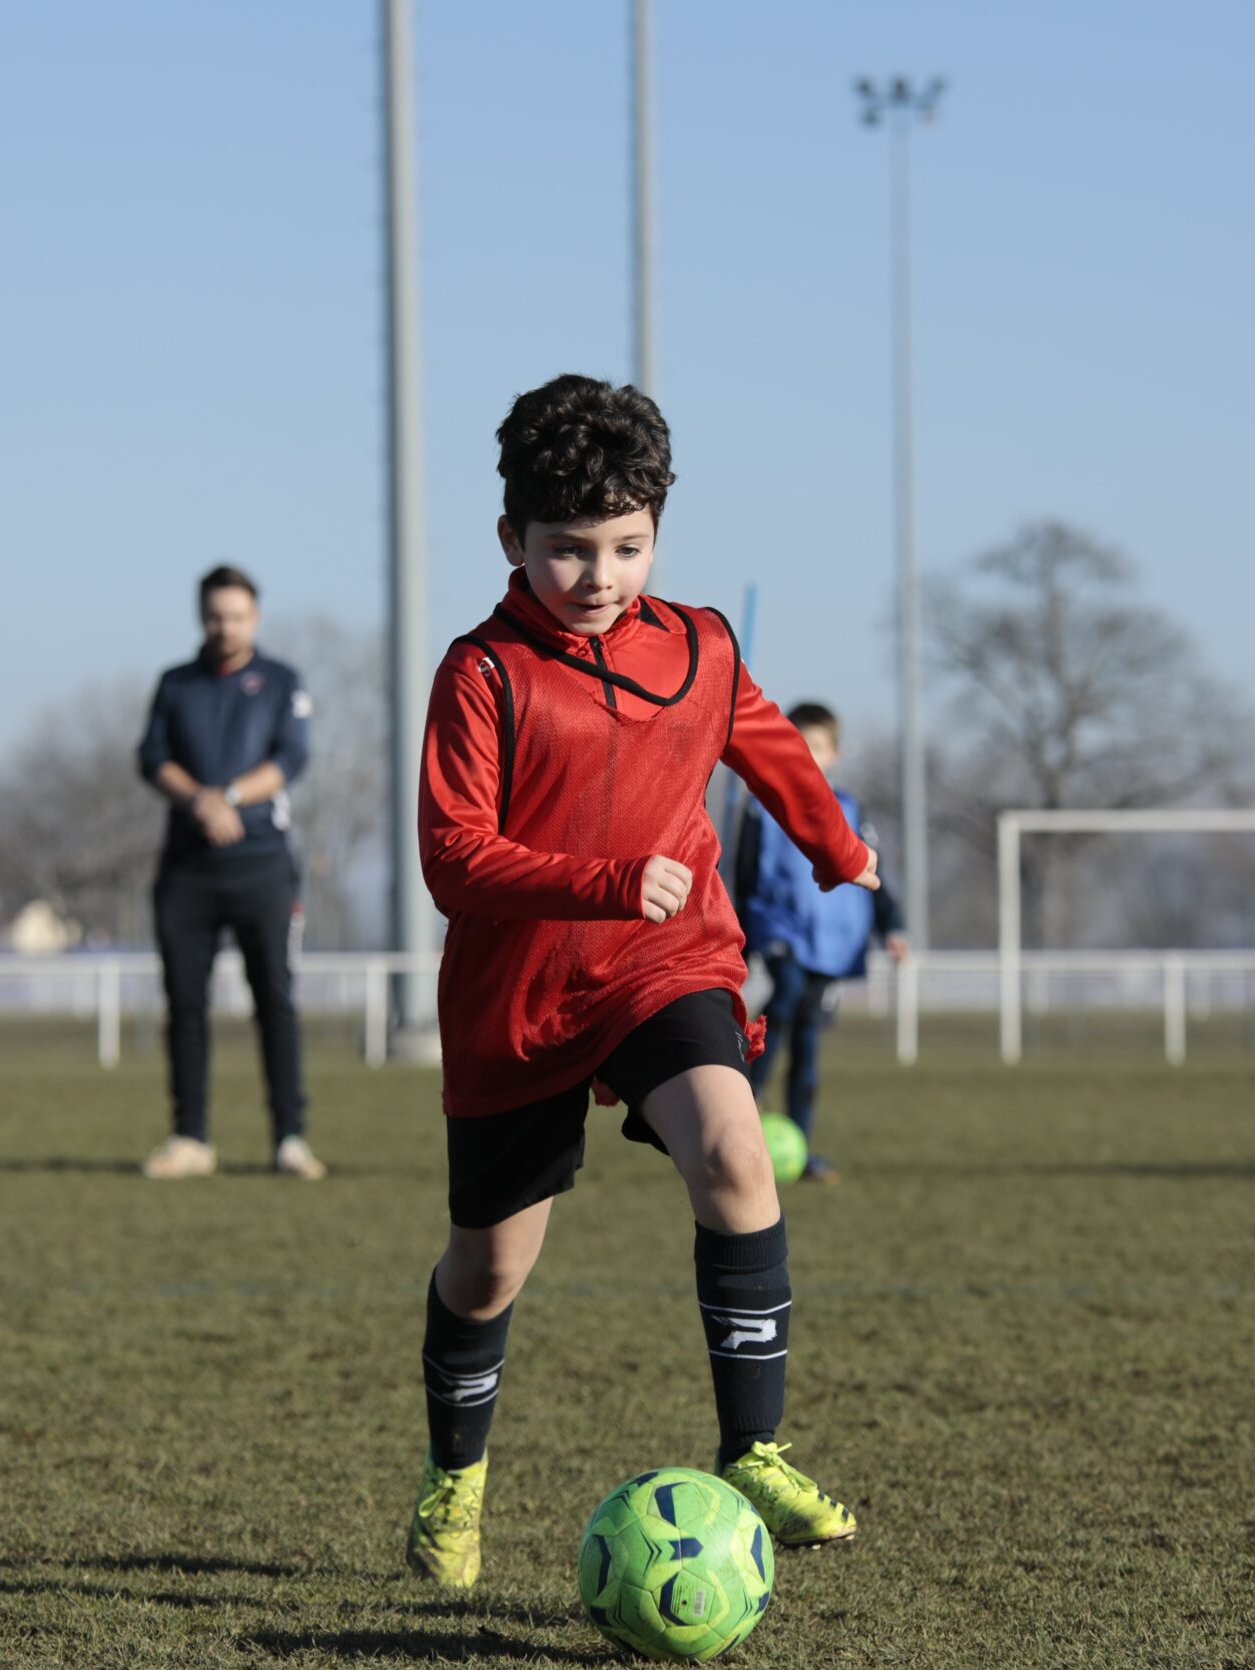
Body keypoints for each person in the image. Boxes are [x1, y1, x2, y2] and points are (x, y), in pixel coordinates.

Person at [403, 374, 876, 1589]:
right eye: (568, 549)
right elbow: (452, 859)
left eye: (626, 546)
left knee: (735, 1154)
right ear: (511, 538)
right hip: (518, 999)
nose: (599, 576)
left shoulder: (702, 644)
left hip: (666, 963)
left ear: (657, 531)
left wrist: (834, 848)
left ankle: (754, 1451)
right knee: (488, 1270)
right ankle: (455, 1478)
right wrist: (607, 880)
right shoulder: (482, 674)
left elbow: (765, 744)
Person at [134, 564, 326, 1181]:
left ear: (255, 617)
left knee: (275, 1001)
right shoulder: (176, 683)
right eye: (216, 616)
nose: (226, 626)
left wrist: (231, 799)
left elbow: (291, 758)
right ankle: (190, 1137)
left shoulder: (281, 681)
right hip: (187, 868)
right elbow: (152, 757)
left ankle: (289, 1138)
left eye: (237, 616)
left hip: (262, 864)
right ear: (201, 616)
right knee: (185, 1005)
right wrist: (199, 802)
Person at [733, 703, 908, 1181]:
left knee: (808, 1040)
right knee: (785, 991)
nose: (808, 755)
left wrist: (892, 926)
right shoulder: (760, 805)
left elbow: (871, 871)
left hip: (832, 942)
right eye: (800, 745)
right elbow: (743, 877)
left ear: (835, 754)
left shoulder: (849, 809)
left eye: (817, 746)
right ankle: (748, 1087)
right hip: (780, 928)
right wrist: (737, 942)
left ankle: (802, 1147)